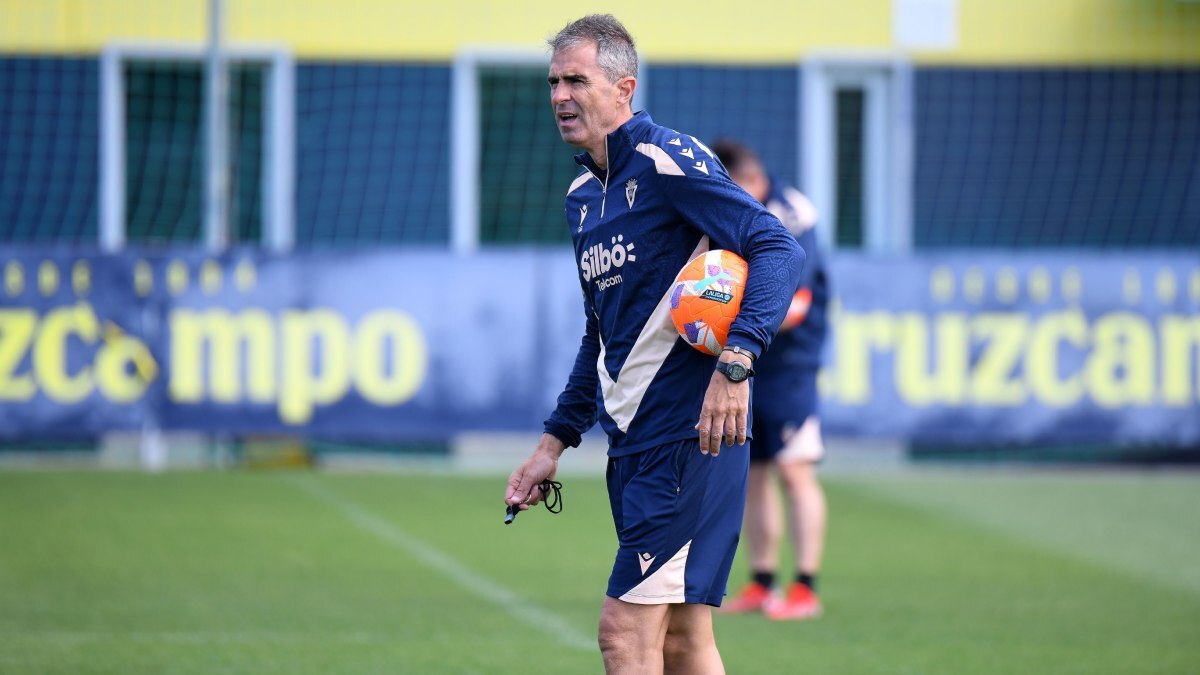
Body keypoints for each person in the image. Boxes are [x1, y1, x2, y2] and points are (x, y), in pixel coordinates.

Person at [503, 14, 805, 674]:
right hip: (633, 445)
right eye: (553, 82)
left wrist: (737, 360)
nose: (560, 96)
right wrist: (552, 444)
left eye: (576, 80)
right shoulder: (582, 198)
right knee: (682, 641)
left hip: (691, 436)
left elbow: (778, 247)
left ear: (623, 88)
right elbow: (600, 334)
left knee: (623, 633)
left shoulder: (667, 160)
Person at [711, 139, 830, 621]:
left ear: (753, 180)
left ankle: (805, 587)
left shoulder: (792, 213)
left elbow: (797, 302)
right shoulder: (726, 211)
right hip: (744, 362)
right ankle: (762, 582)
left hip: (789, 364)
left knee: (794, 471)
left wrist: (736, 325)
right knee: (753, 472)